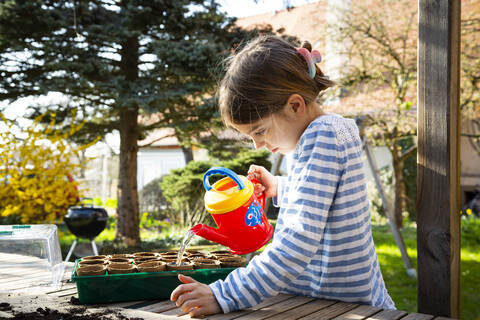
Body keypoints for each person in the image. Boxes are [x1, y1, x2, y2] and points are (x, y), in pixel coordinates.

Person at [170, 35, 395, 317]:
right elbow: (328, 198)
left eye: (260, 130)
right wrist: (280, 187)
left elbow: (298, 243)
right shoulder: (334, 131)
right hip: (341, 299)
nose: (258, 145)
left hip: (337, 306)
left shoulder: (320, 136)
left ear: (295, 106)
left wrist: (225, 294)